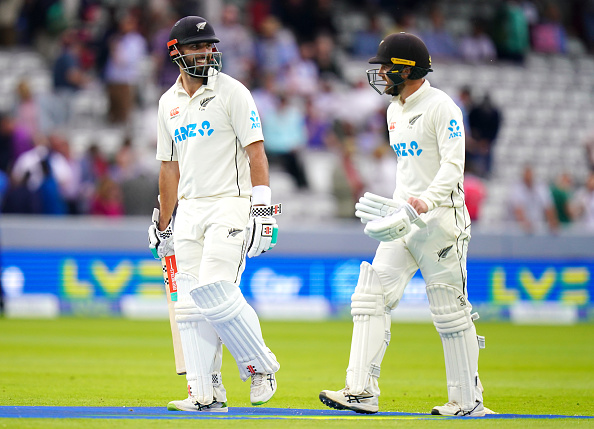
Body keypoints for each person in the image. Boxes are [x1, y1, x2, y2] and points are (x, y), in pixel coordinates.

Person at [319, 33, 493, 417]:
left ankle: (467, 401)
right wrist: (398, 206)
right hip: (404, 221)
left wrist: (426, 201)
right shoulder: (393, 110)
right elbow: (408, 168)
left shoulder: (441, 106)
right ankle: (361, 390)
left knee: (449, 310)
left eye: (385, 66)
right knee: (370, 295)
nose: (380, 73)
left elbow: (453, 165)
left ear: (406, 68)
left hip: (441, 220)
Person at [148, 16, 280, 413]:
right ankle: (204, 394)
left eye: (209, 45)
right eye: (195, 46)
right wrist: (163, 221)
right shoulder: (167, 104)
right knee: (188, 305)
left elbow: (257, 152)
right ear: (175, 52)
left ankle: (261, 365)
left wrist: (263, 209)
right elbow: (168, 167)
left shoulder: (233, 92)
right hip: (189, 208)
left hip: (231, 203)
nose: (205, 52)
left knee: (216, 291)